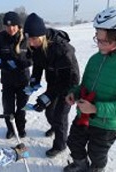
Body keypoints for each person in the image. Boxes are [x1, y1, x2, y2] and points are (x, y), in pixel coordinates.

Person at [64, 6, 116, 172]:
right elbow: (85, 86)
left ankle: (96, 169)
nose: (100, 45)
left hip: (106, 124)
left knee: (97, 153)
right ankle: (81, 164)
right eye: (98, 39)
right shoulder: (95, 58)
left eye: (106, 41)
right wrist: (74, 93)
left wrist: (96, 108)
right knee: (73, 142)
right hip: (83, 117)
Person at [23, 13, 80, 157]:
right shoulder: (36, 46)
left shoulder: (62, 50)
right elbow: (38, 65)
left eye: (34, 39)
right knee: (49, 112)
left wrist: (47, 96)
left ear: (42, 35)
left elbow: (70, 79)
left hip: (68, 86)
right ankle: (56, 127)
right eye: (28, 39)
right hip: (53, 83)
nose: (30, 42)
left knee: (60, 115)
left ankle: (60, 144)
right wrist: (34, 80)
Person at [0, 11, 32, 139]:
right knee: (8, 107)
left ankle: (20, 128)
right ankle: (10, 129)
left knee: (22, 108)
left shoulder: (26, 37)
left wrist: (24, 63)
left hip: (23, 80)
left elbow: (34, 58)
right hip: (7, 80)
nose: (11, 29)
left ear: (19, 25)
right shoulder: (0, 37)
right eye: (7, 26)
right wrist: (4, 65)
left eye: (14, 25)